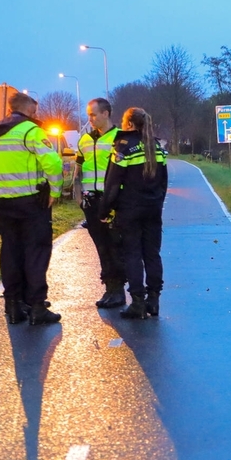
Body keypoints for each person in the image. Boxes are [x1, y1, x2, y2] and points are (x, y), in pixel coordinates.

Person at [0, 91, 63, 325]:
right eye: (35, 111)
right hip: (31, 203)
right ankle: (37, 306)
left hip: (2, 203)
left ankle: (13, 305)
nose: (36, 114)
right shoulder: (31, 131)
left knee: (10, 252)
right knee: (36, 252)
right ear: (29, 110)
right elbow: (54, 163)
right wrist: (55, 191)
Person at [100, 107, 168, 319]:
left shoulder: (123, 146)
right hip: (153, 208)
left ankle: (137, 302)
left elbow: (112, 182)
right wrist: (157, 201)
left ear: (129, 124)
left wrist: (104, 209)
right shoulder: (155, 146)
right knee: (152, 254)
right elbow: (164, 181)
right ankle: (154, 300)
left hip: (130, 209)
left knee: (132, 254)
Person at [74, 98, 125, 308]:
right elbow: (78, 169)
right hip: (90, 200)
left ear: (106, 113)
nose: (90, 119)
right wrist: (78, 196)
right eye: (88, 115)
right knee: (101, 246)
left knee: (115, 245)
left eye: (93, 114)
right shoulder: (85, 140)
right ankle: (109, 288)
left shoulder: (119, 138)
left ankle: (118, 290)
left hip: (112, 200)